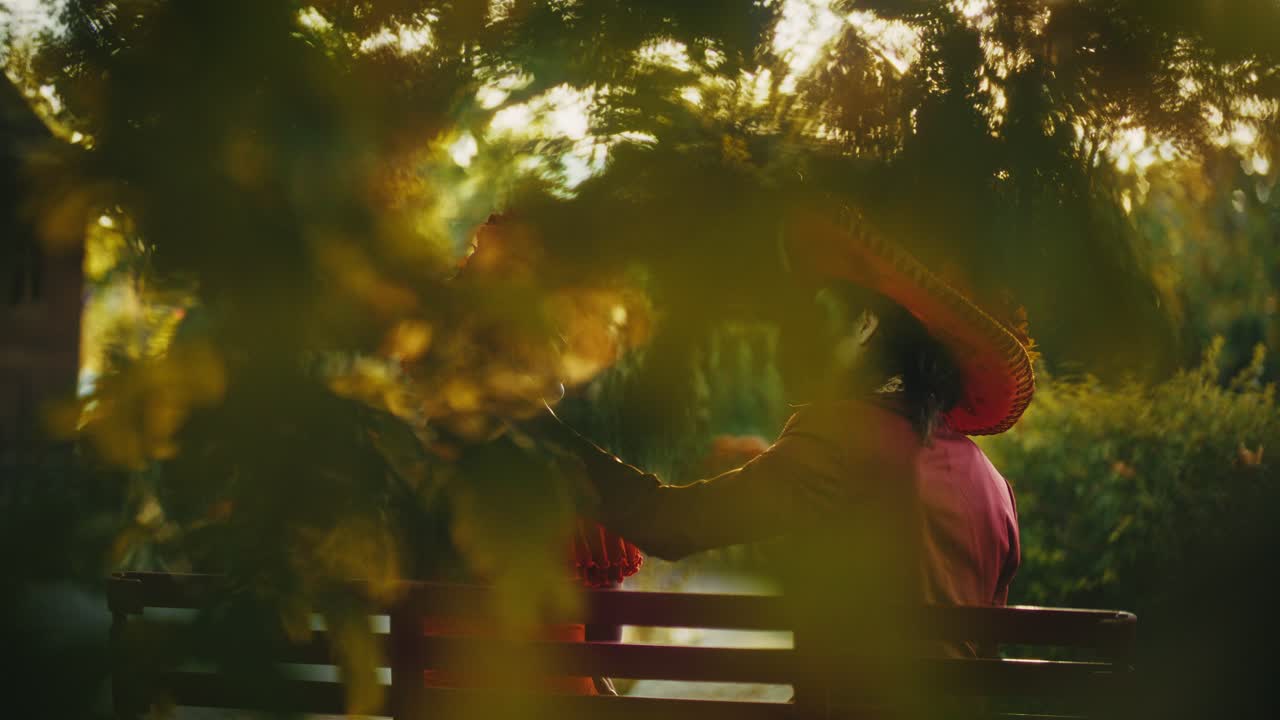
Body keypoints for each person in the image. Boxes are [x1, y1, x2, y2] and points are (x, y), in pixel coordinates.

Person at [537, 209, 1034, 711]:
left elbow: (668, 524)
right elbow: (984, 664)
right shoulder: (996, 490)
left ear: (865, 326)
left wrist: (539, 432)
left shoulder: (843, 437)